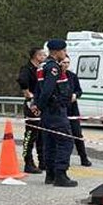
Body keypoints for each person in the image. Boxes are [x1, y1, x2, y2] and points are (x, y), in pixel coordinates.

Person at [34, 39, 77, 187]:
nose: (65, 54)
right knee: (66, 141)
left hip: (47, 112)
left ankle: (50, 175)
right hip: (55, 110)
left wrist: (37, 105)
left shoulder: (42, 66)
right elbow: (47, 90)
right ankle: (60, 175)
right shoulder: (53, 68)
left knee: (50, 143)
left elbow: (38, 89)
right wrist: (40, 105)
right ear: (57, 51)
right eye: (64, 51)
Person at [16, 47, 45, 174]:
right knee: (30, 135)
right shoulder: (27, 69)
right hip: (31, 104)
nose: (44, 57)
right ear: (36, 56)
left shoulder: (41, 69)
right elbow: (22, 80)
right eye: (42, 55)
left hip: (40, 104)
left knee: (41, 134)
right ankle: (28, 161)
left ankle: (42, 161)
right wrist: (28, 93)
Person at [60, 58, 92, 166]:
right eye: (64, 62)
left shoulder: (72, 76)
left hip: (72, 109)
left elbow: (79, 91)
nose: (66, 65)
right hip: (60, 109)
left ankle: (83, 157)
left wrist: (75, 95)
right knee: (62, 136)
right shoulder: (55, 75)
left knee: (77, 134)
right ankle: (63, 159)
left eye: (68, 62)